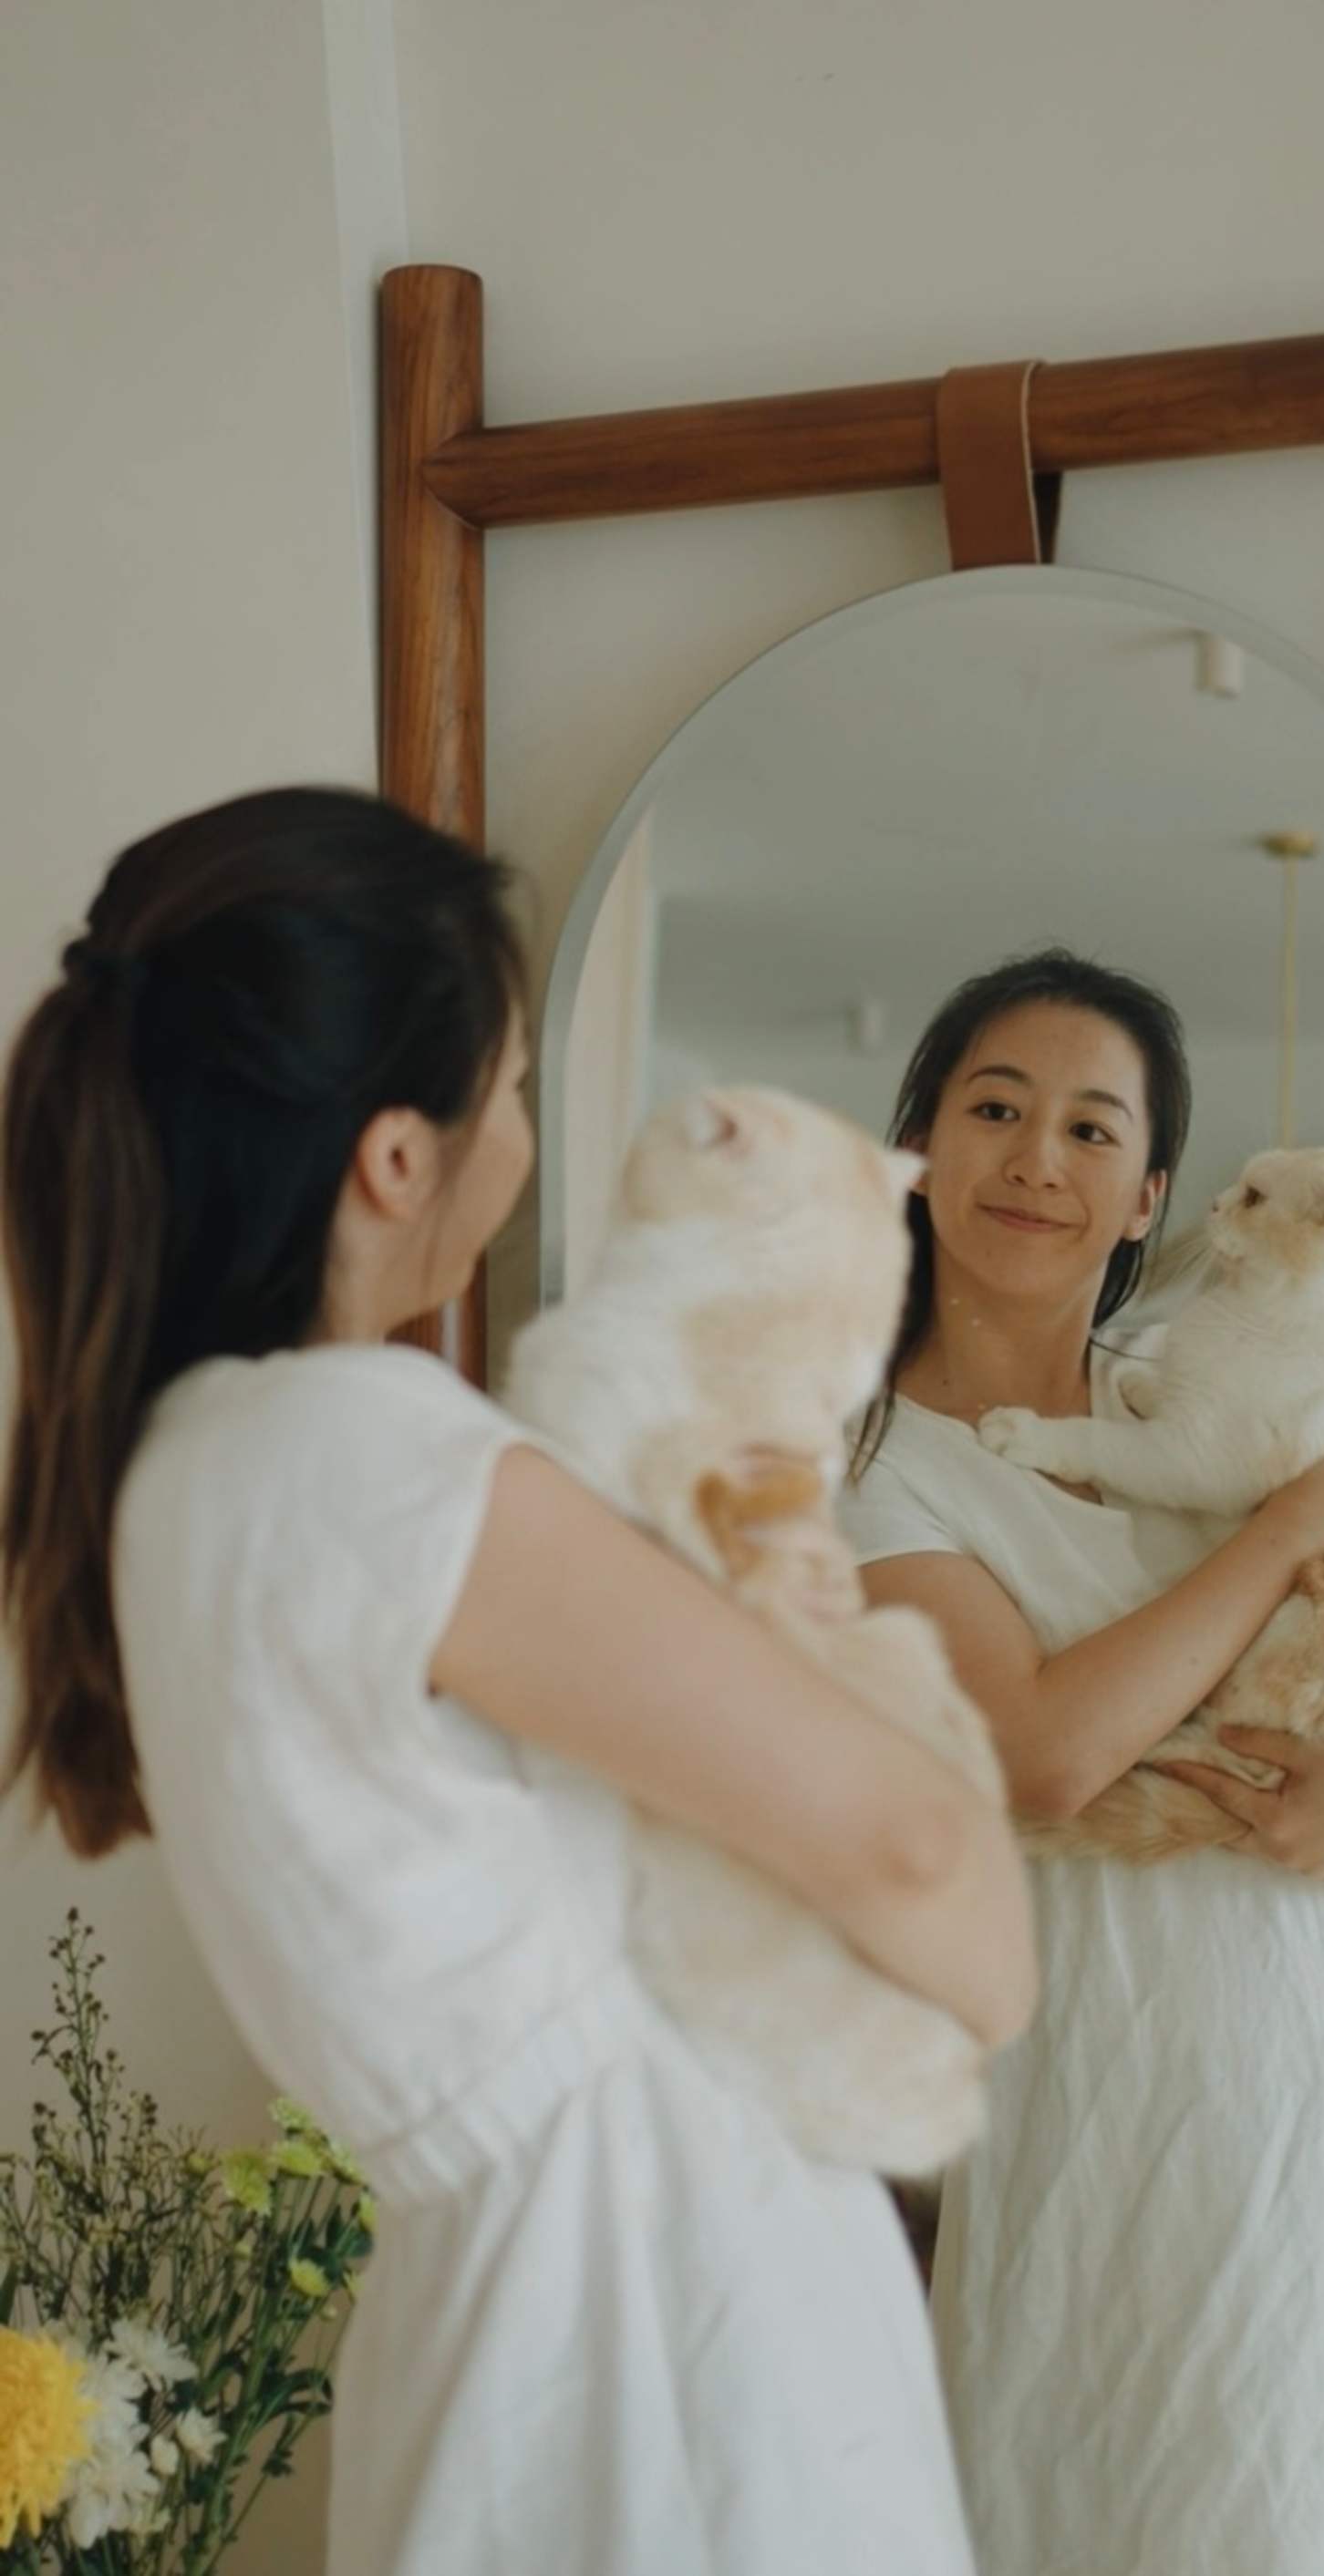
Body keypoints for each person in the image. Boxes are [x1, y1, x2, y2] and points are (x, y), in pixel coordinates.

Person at [0, 788, 1036, 2576]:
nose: (531, 1136)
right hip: (671, 2311)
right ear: (398, 1157)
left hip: (522, 2316)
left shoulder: (180, 1477)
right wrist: (991, 1973)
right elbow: (913, 1853)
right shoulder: (361, 1448)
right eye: (517, 1089)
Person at [841, 948, 1324, 2576]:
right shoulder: (880, 1476)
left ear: (1151, 1192)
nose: (1036, 1159)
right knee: (1191, 2491)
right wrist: (1300, 1518)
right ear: (922, 1147)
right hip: (1142, 2078)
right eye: (995, 1109)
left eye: (1093, 1130)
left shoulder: (1223, 1393)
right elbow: (1048, 1750)